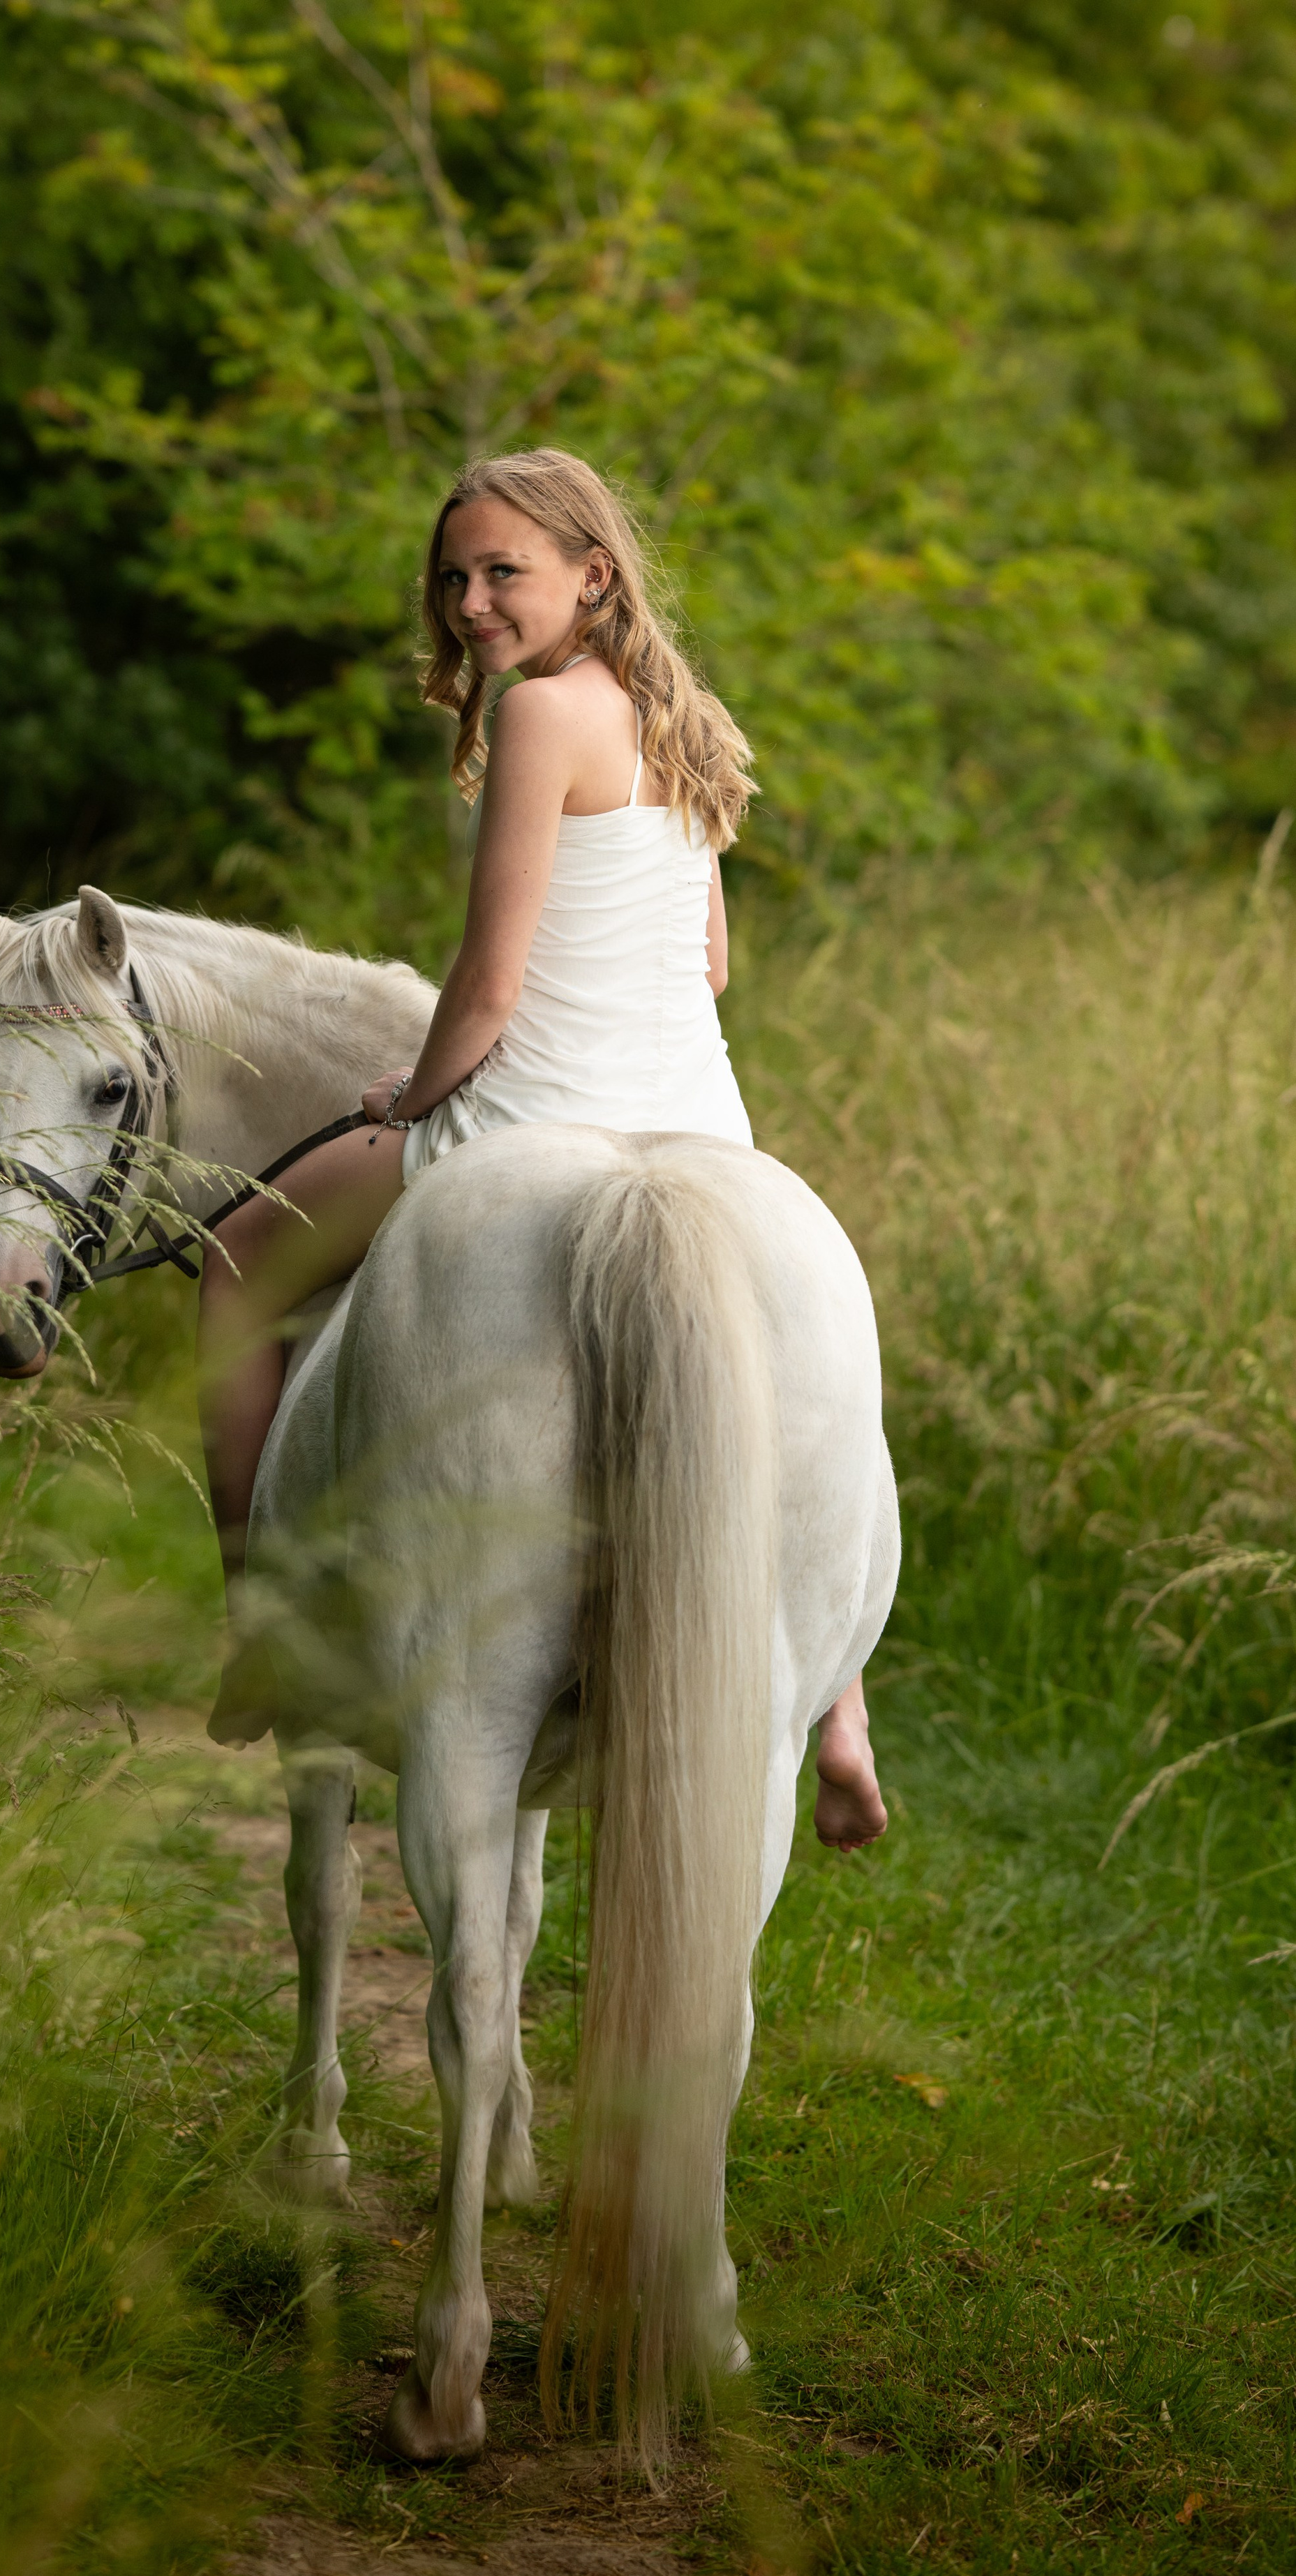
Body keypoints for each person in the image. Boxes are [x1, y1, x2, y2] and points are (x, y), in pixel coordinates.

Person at [198, 447, 885, 1854]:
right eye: (452, 577)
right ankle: (835, 1711)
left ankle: (262, 1623)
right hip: (700, 1121)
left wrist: (412, 1092)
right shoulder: (683, 718)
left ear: (589, 569)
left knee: (232, 1257)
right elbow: (710, 962)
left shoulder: (533, 718)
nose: (467, 602)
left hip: (534, 1112)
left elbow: (491, 982)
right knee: (776, 1389)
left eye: (499, 571)